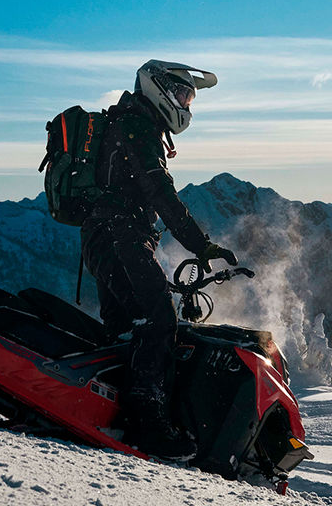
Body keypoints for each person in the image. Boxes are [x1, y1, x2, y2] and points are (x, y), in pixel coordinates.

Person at [82, 60, 237, 460]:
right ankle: (148, 424)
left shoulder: (131, 121)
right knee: (159, 318)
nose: (186, 105)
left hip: (107, 235)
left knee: (123, 327)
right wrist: (202, 246)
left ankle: (108, 412)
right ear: (159, 89)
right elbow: (160, 193)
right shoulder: (139, 126)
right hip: (121, 234)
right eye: (183, 95)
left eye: (190, 98)